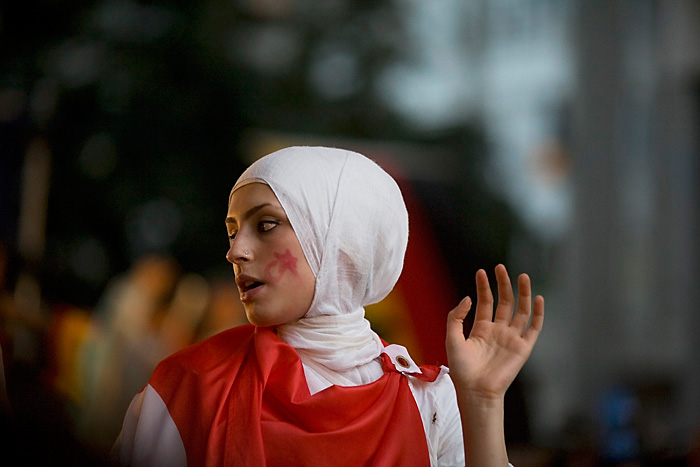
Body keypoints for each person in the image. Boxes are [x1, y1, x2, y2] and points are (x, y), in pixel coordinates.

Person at [114, 146, 544, 466]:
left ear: (341, 242)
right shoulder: (185, 389)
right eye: (232, 231)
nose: (236, 251)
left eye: (265, 225)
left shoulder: (430, 400)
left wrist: (483, 402)